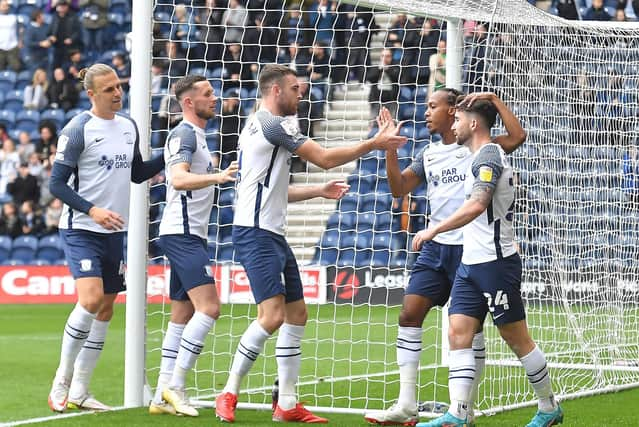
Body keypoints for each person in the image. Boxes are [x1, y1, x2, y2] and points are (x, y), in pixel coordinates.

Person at [214, 64, 407, 424]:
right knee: (271, 316)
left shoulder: (262, 127)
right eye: (295, 89)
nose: (301, 95)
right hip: (255, 233)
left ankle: (287, 404)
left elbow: (276, 191)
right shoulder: (272, 124)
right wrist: (374, 143)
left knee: (297, 313)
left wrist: (319, 190)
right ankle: (228, 391)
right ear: (275, 91)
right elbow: (324, 158)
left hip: (270, 231)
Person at [363, 89, 526, 426]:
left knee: (469, 331)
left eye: (432, 106)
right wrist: (391, 153)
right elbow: (399, 189)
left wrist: (494, 100)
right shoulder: (429, 153)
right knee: (409, 314)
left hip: (471, 246)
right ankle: (406, 403)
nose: (425, 112)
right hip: (435, 248)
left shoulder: (479, 146)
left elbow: (518, 136)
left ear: (453, 111)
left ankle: (464, 408)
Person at [412, 97, 563, 427]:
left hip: (495, 264)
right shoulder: (478, 155)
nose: (453, 124)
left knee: (516, 338)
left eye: (458, 119)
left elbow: (478, 204)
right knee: (458, 334)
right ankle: (458, 413)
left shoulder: (490, 156)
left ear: (474, 124)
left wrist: (435, 228)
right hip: (471, 263)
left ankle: (548, 406)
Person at [47, 63, 165, 413]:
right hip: (82, 229)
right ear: (92, 94)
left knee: (106, 309)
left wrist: (169, 156)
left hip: (115, 232)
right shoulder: (77, 129)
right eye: (110, 89)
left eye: (119, 86)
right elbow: (55, 184)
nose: (118, 93)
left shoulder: (129, 127)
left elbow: (138, 172)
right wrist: (92, 209)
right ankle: (62, 380)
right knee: (91, 298)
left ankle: (81, 390)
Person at [147, 75, 238, 417]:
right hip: (181, 233)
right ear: (188, 102)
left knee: (182, 314)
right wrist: (217, 176)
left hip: (190, 233)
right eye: (207, 94)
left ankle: (160, 395)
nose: (214, 98)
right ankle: (176, 386)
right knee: (210, 308)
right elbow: (177, 178)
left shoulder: (199, 136)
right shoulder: (183, 134)